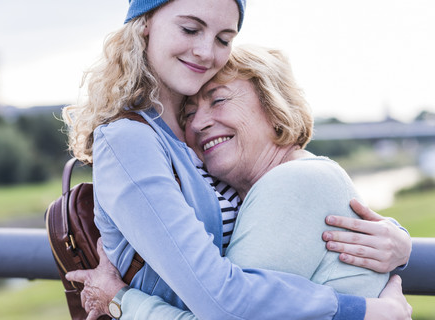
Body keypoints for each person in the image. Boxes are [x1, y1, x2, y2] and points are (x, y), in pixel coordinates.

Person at [63, 1, 412, 319]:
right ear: (145, 24)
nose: (205, 52)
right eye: (190, 29)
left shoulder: (187, 145)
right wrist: (361, 311)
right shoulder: (131, 140)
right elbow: (223, 301)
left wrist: (398, 239)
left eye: (223, 38)